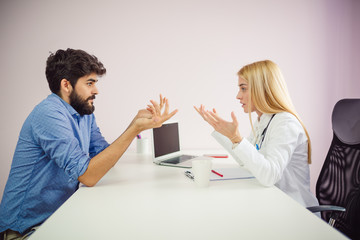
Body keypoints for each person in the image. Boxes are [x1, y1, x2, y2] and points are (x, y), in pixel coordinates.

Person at [0, 48, 178, 239]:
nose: (96, 90)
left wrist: (135, 123)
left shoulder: (83, 112)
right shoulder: (49, 114)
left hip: (60, 216)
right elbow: (87, 176)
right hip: (28, 230)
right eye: (89, 83)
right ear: (66, 85)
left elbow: (104, 155)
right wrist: (135, 129)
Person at [194, 60, 318, 208]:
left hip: (294, 208)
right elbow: (245, 160)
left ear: (262, 89)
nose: (238, 96)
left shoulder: (285, 123)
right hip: (273, 202)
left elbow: (269, 176)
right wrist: (222, 131)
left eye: (243, 88)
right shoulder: (264, 120)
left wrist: (236, 138)